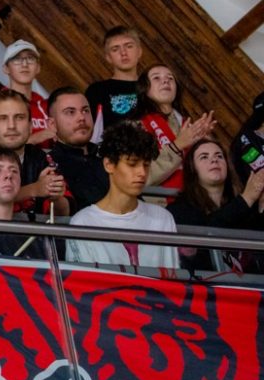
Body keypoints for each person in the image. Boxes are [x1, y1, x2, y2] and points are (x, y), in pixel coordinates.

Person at [66, 121, 180, 269]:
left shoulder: (163, 218)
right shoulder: (83, 223)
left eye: (146, 164)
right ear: (109, 164)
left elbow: (172, 277)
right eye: (132, 164)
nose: (142, 172)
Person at [0, 89, 69, 217]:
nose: (11, 126)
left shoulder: (42, 159)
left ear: (30, 127)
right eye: (2, 119)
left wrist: (56, 197)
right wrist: (34, 189)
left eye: (19, 117)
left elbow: (63, 215)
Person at [168, 139, 264, 271]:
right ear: (192, 168)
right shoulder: (178, 209)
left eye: (219, 156)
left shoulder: (243, 207)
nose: (214, 160)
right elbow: (204, 238)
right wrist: (247, 199)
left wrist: (261, 207)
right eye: (204, 157)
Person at [135, 63, 216, 193]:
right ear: (144, 88)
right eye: (156, 78)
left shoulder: (186, 124)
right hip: (158, 201)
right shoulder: (136, 126)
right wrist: (177, 146)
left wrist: (206, 143)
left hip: (195, 197)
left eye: (170, 78)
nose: (166, 81)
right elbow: (140, 177)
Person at [47, 86, 107, 211]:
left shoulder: (110, 158)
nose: (81, 118)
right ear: (52, 124)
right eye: (70, 112)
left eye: (85, 111)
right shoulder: (47, 165)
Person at [85, 26, 143, 130]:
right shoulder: (97, 91)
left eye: (129, 46)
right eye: (115, 49)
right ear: (108, 57)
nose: (123, 53)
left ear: (139, 51)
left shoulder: (152, 87)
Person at [1, 40, 53, 146]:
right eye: (17, 59)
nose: (25, 64)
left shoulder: (46, 105)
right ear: (6, 68)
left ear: (38, 68)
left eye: (30, 58)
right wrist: (34, 139)